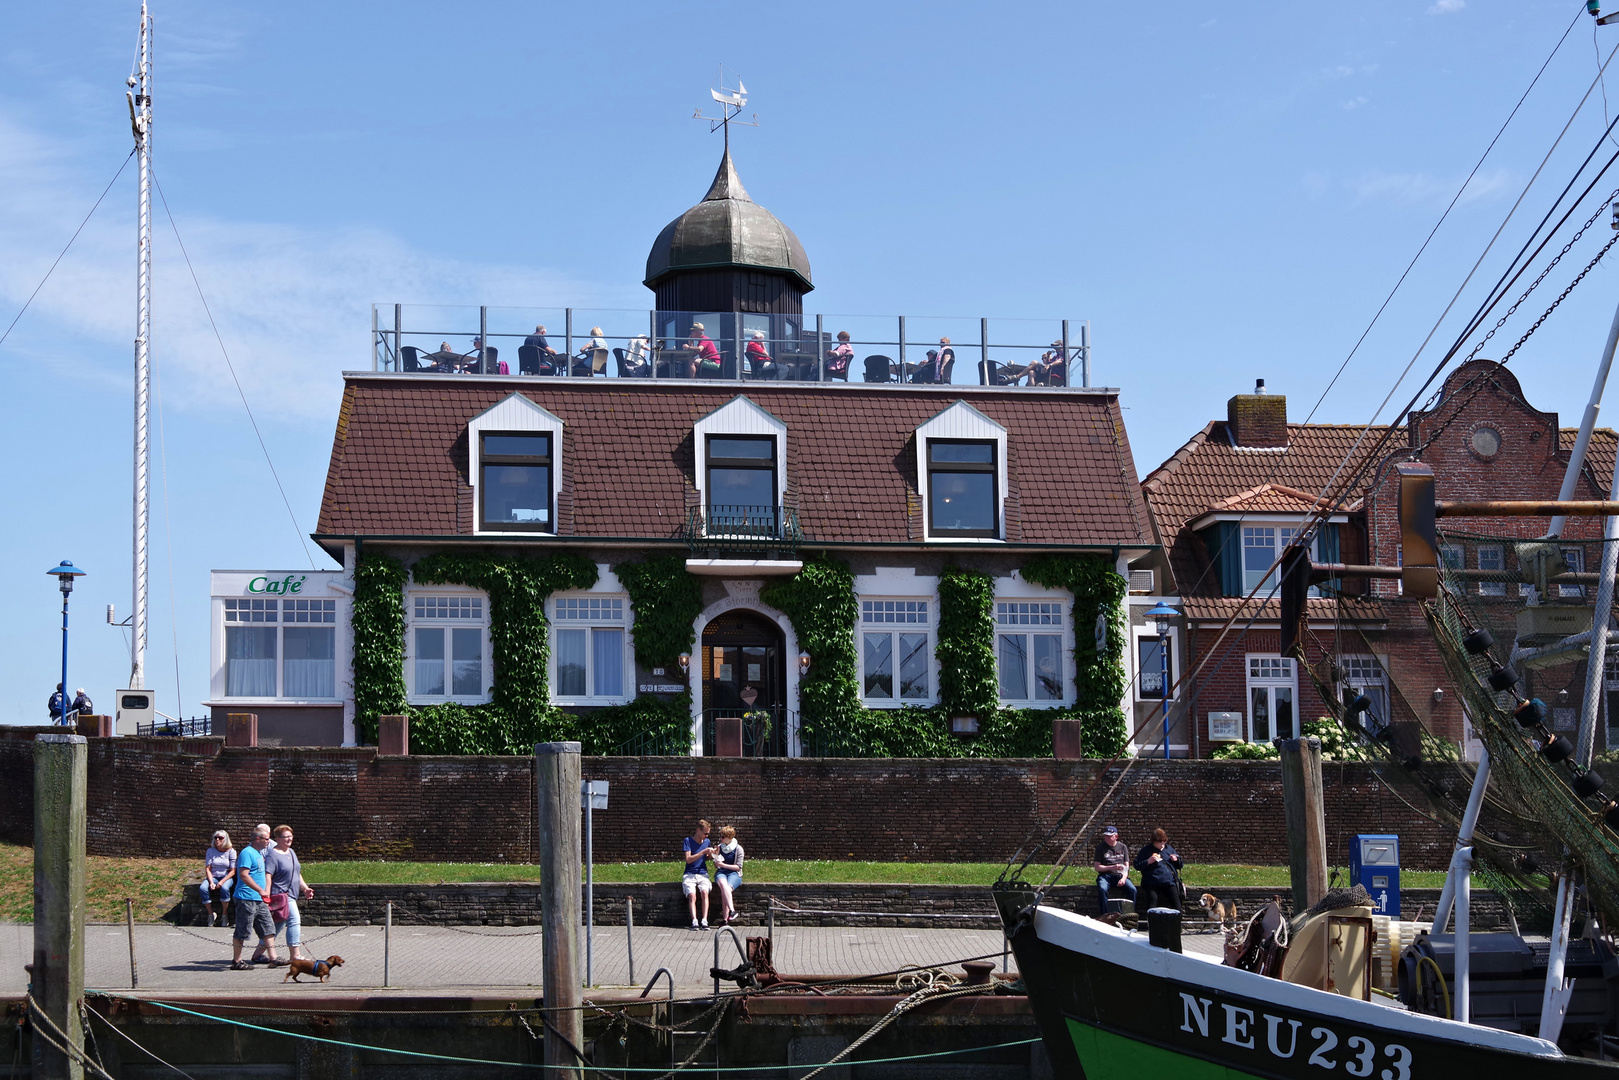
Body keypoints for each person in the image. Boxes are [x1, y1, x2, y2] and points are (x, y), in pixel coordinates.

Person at [257, 825, 315, 962]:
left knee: (277, 925)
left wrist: (305, 889)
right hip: (281, 895)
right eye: (285, 837)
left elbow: (296, 873)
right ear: (277, 839)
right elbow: (268, 876)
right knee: (294, 921)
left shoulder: (291, 852)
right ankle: (295, 954)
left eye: (290, 836)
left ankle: (257, 954)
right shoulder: (273, 855)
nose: (289, 839)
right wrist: (267, 894)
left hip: (291, 894)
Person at [231, 824, 282, 969]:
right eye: (266, 839)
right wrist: (260, 890)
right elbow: (244, 875)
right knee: (243, 929)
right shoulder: (247, 853)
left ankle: (273, 958)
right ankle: (237, 960)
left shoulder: (259, 854)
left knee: (268, 927)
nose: (268, 842)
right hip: (246, 898)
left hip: (259, 899)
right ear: (258, 839)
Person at [1133, 827, 1185, 913]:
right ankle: (1151, 924)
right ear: (1154, 841)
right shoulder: (1146, 850)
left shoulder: (1169, 849)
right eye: (1160, 842)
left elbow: (1180, 865)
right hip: (1152, 882)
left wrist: (1176, 860)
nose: (1162, 844)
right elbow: (1137, 865)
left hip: (1168, 882)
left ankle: (1177, 924)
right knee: (1152, 902)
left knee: (1176, 903)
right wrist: (1148, 861)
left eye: (1164, 841)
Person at [1092, 825, 1136, 917]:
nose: (1107, 838)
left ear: (1116, 836)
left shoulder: (1123, 847)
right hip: (1105, 876)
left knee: (1132, 889)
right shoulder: (1100, 848)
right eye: (1105, 836)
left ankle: (1129, 914)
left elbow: (1127, 866)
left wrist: (1124, 878)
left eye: (1109, 836)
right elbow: (1097, 867)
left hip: (1120, 875)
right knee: (1102, 889)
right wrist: (1113, 867)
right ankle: (1104, 915)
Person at [682, 819, 713, 930]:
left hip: (702, 873)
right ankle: (694, 920)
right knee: (692, 895)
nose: (706, 835)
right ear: (698, 830)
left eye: (708, 833)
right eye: (705, 833)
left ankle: (704, 920)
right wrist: (702, 852)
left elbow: (707, 858)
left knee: (704, 892)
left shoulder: (707, 842)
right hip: (690, 873)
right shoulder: (688, 841)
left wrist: (712, 854)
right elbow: (688, 859)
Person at [202, 830, 237, 928]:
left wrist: (222, 881)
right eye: (216, 837)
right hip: (213, 876)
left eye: (220, 838)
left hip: (226, 876)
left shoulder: (231, 851)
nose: (217, 840)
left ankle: (224, 915)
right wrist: (211, 882)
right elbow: (208, 869)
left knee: (225, 888)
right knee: (203, 888)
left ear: (225, 839)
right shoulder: (210, 851)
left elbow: (233, 871)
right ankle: (210, 914)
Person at [714, 826, 745, 924]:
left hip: (734, 874)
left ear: (729, 838)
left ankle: (725, 920)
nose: (721, 838)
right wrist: (715, 857)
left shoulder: (738, 849)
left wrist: (724, 865)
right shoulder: (720, 847)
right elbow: (716, 865)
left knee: (726, 889)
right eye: (721, 836)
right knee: (723, 885)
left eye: (723, 837)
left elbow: (738, 867)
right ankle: (732, 911)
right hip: (721, 872)